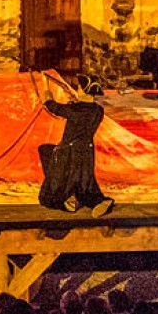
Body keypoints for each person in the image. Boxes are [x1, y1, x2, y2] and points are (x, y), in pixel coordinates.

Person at [38, 76, 113, 217]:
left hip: (69, 151)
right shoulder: (98, 110)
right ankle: (96, 202)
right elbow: (83, 110)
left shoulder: (74, 109)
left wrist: (46, 89)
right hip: (87, 151)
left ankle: (68, 200)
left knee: (54, 188)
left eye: (78, 87)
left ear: (83, 91)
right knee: (86, 184)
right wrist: (75, 101)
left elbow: (51, 106)